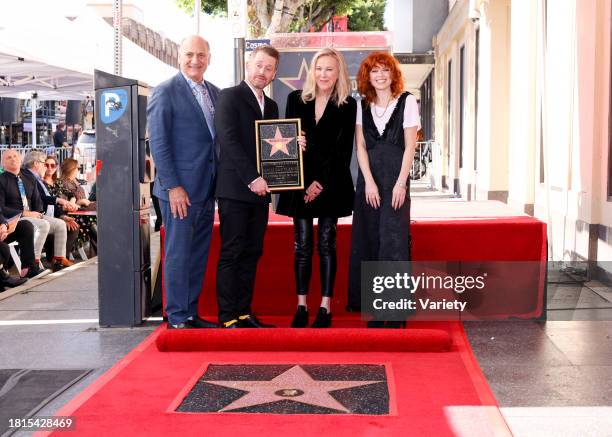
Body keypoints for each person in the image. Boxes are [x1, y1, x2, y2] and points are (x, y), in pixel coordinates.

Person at [215, 45, 303, 329]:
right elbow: (229, 141)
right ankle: (228, 317)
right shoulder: (228, 96)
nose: (262, 72)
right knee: (233, 251)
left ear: (274, 74)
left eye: (268, 68)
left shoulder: (273, 106)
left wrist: (295, 145)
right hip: (236, 189)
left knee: (252, 252)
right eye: (259, 65)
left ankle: (244, 313)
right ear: (248, 64)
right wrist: (252, 177)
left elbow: (274, 148)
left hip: (261, 193)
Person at [276, 48, 356, 328]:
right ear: (313, 71)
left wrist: (319, 183)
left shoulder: (348, 104)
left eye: (329, 69)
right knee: (302, 245)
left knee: (326, 243)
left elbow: (343, 152)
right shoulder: (295, 99)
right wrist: (293, 146)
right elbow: (288, 145)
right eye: (319, 68)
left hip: (331, 184)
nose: (323, 74)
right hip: (300, 183)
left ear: (338, 73)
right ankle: (301, 306)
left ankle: (324, 307)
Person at [148, 35, 220, 330]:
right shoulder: (165, 91)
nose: (195, 60)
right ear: (179, 56)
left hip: (206, 188)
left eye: (201, 55)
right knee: (178, 253)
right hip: (178, 191)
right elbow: (160, 144)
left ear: (209, 58)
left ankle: (190, 313)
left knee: (198, 253)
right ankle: (177, 317)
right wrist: (173, 187)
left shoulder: (214, 92)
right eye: (189, 54)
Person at [347, 51, 420, 328]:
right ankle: (376, 309)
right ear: (367, 76)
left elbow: (410, 145)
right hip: (370, 183)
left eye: (384, 70)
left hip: (396, 180)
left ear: (393, 74)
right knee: (370, 239)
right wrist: (367, 182)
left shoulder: (407, 101)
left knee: (394, 240)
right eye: (374, 71)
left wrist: (401, 183)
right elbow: (361, 147)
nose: (379, 75)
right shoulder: (361, 106)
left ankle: (395, 311)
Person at [0, 149, 65, 275]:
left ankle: (58, 262)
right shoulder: (2, 181)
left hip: (32, 215)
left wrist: (39, 213)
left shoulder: (29, 178)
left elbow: (37, 202)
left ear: (20, 159)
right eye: (9, 158)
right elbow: (1, 208)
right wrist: (25, 213)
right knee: (43, 225)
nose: (13, 159)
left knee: (60, 224)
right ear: (3, 163)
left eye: (15, 156)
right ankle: (33, 263)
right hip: (14, 218)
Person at [23, 151, 79, 264]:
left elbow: (44, 200)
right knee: (47, 224)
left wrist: (62, 215)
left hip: (42, 213)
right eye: (45, 164)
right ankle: (34, 264)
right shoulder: (28, 177)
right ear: (36, 164)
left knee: (64, 224)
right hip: (31, 215)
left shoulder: (36, 179)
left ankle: (59, 259)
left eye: (52, 165)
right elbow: (42, 200)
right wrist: (59, 201)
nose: (46, 168)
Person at [54, 158, 97, 255]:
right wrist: (79, 203)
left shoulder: (75, 181)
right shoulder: (62, 183)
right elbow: (64, 205)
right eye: (77, 168)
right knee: (93, 221)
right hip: (75, 215)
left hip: (84, 212)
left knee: (99, 214)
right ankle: (100, 252)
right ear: (71, 169)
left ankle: (97, 253)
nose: (78, 170)